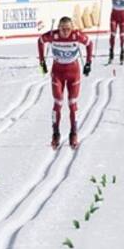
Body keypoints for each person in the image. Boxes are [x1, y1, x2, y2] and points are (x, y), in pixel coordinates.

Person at [37, 17, 93, 150]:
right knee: (58, 102)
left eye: (68, 29)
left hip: (73, 72)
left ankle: (73, 133)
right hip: (58, 72)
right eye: (63, 29)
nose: (65, 32)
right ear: (58, 27)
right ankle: (55, 133)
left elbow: (89, 43)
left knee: (72, 103)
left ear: (72, 28)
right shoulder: (53, 35)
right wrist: (42, 62)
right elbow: (40, 41)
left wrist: (88, 63)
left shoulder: (76, 35)